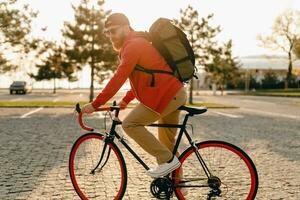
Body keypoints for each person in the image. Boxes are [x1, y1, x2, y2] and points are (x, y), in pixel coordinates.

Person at [81, 13, 187, 178]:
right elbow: (146, 79)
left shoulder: (133, 45)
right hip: (173, 93)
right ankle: (177, 185)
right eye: (107, 32)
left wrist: (95, 104)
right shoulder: (138, 43)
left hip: (167, 95)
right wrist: (126, 99)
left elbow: (119, 77)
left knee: (130, 124)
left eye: (113, 30)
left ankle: (166, 161)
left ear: (126, 27)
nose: (110, 35)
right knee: (167, 143)